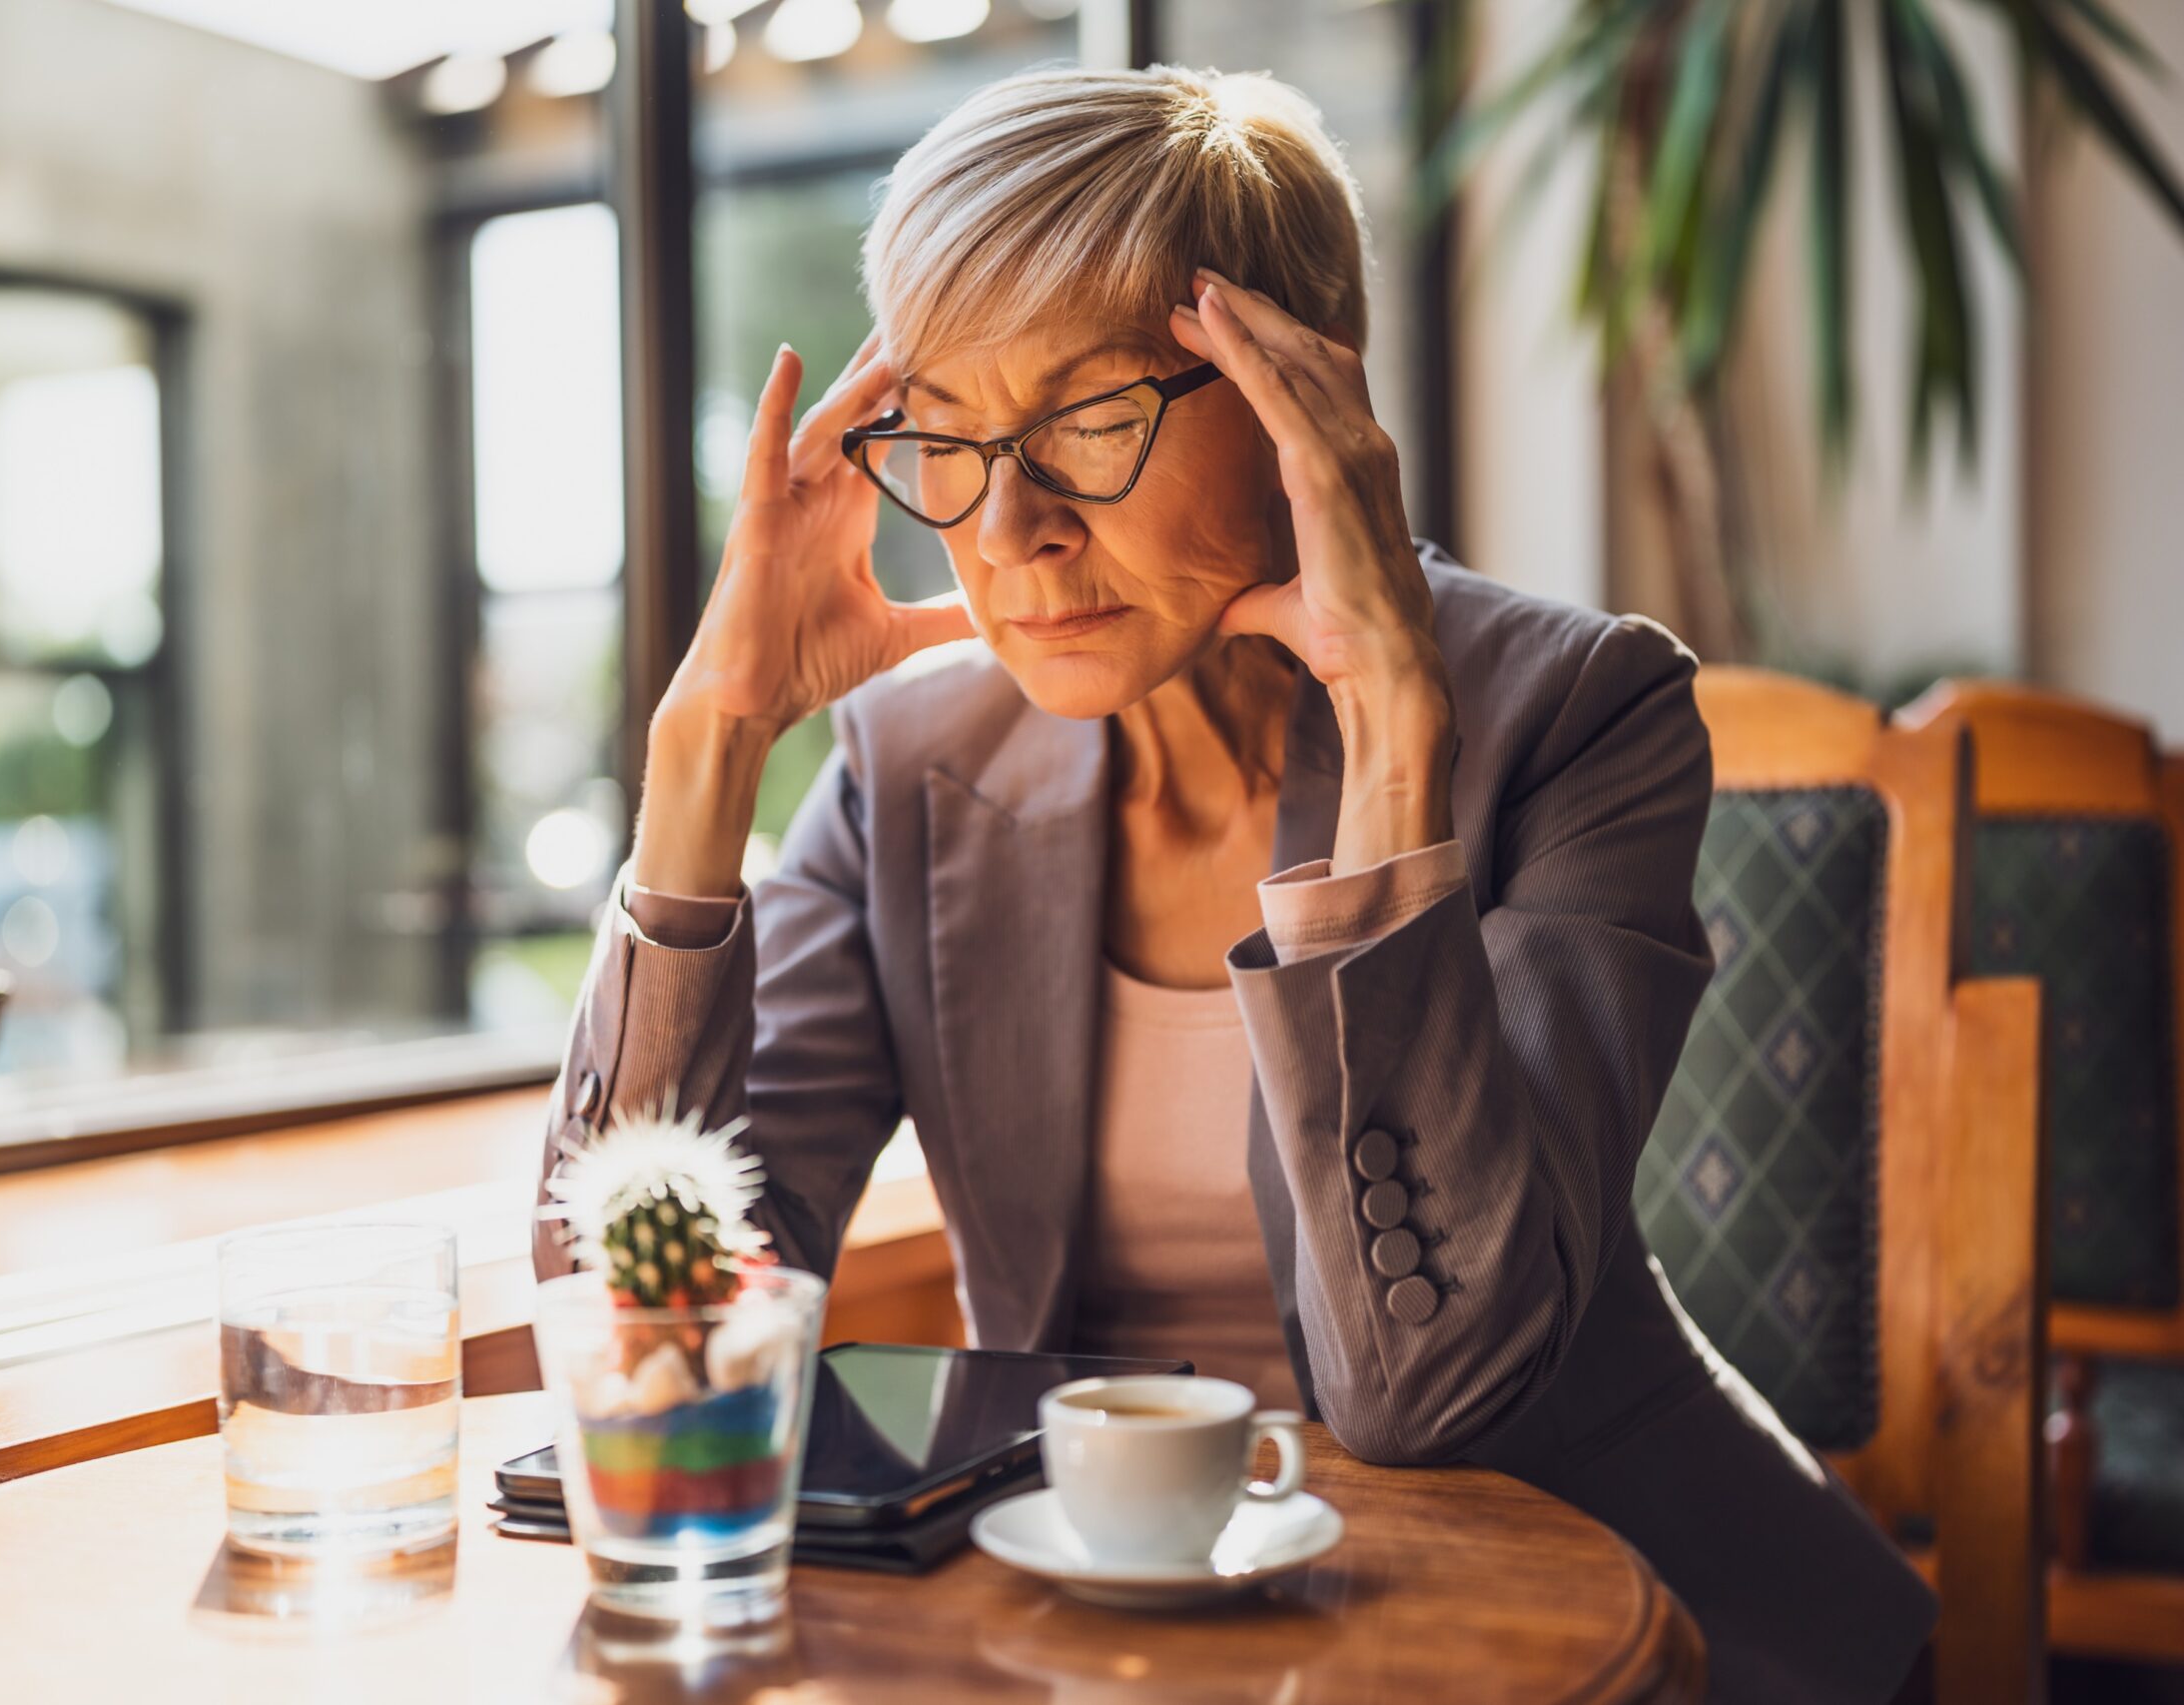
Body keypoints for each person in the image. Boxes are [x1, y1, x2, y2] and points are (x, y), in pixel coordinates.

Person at [532, 63, 1935, 1703]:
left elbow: (1436, 1394)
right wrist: (708, 750)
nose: (1014, 524)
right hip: (1104, 1629)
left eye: (1089, 417)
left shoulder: (1578, 713)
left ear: (1305, 407)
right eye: (955, 433)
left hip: (1592, 1617)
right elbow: (645, 1331)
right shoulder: (912, 764)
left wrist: (1393, 747)